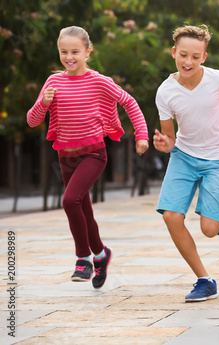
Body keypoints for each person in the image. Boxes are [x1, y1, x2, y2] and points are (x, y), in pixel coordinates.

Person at [27, 26, 149, 289]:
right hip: (66, 156)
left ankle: (83, 259)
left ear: (87, 51)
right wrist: (43, 103)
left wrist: (141, 135)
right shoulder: (53, 83)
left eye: (75, 52)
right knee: (83, 208)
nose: (69, 57)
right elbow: (32, 120)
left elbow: (129, 102)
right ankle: (102, 255)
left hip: (94, 153)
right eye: (63, 52)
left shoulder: (99, 81)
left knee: (70, 200)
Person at [153, 25, 219, 302]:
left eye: (195, 57)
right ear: (174, 52)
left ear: (204, 57)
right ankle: (204, 280)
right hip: (184, 156)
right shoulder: (165, 92)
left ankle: (217, 217)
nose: (188, 62)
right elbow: (170, 138)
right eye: (183, 55)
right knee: (171, 215)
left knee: (209, 230)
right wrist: (165, 144)